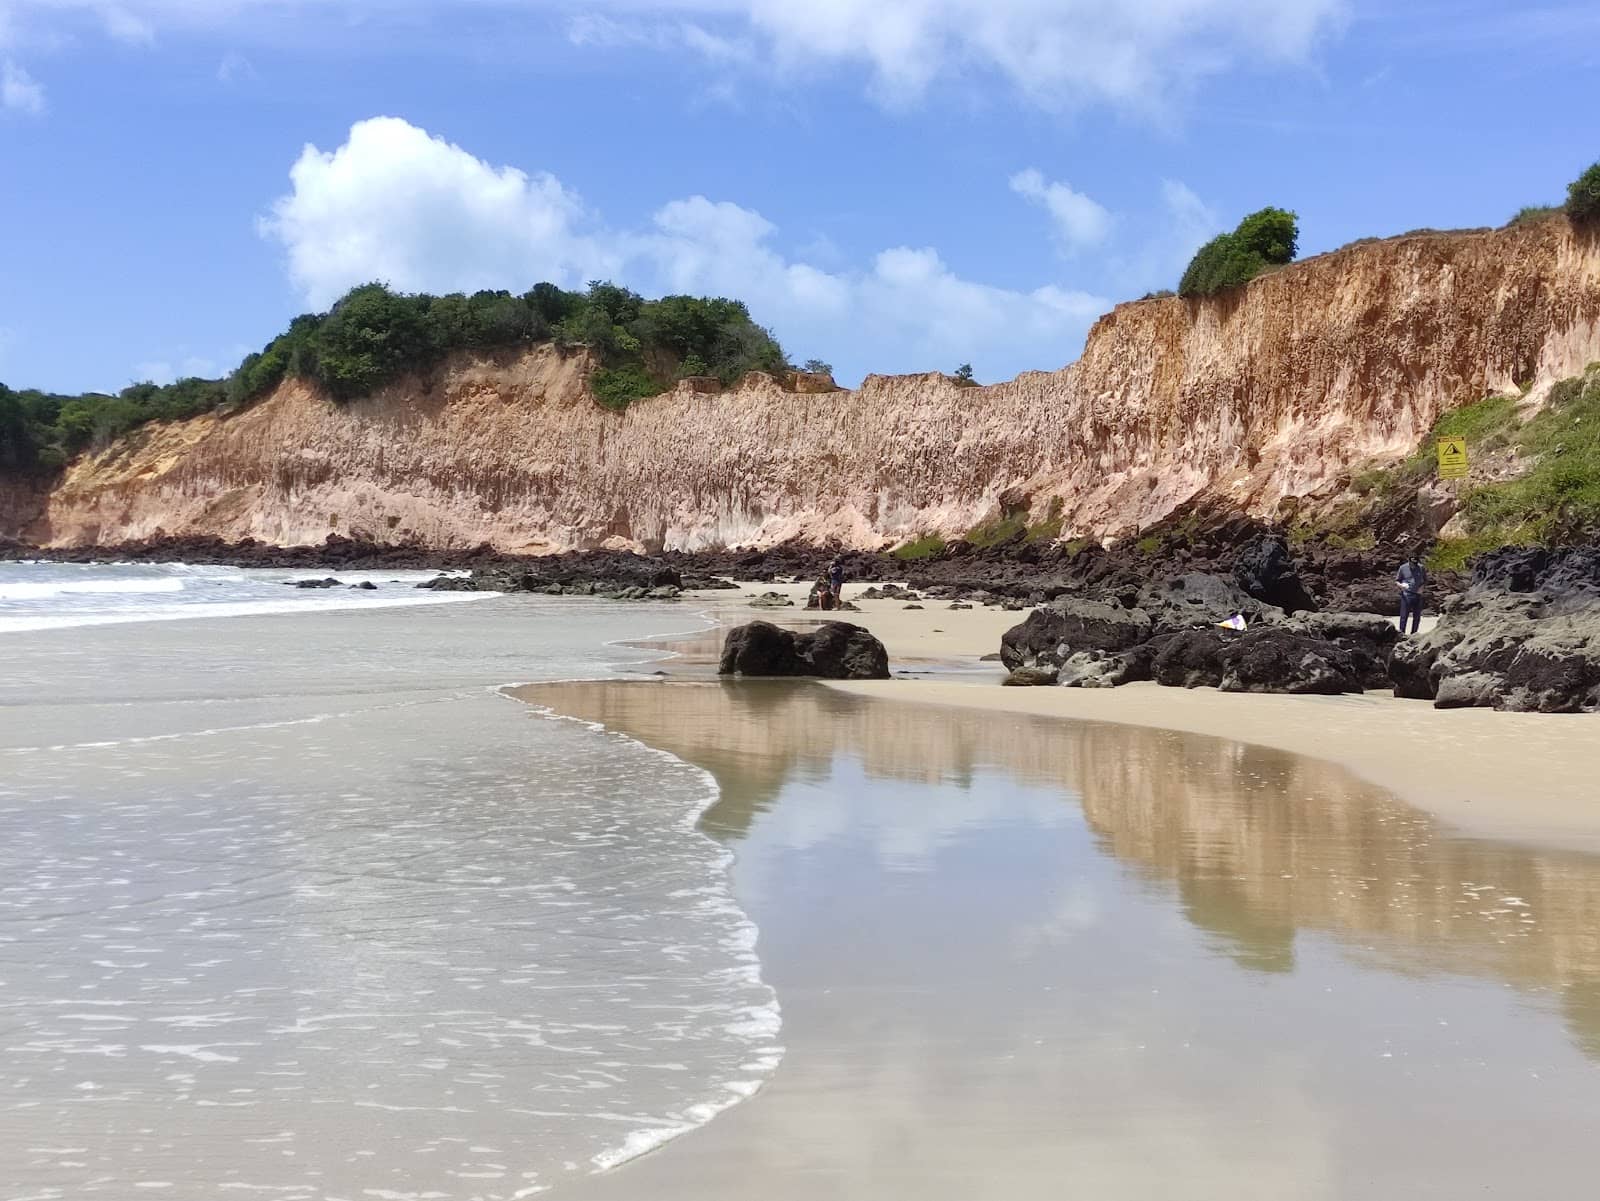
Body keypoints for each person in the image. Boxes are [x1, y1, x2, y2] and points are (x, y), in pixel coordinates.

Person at [1396, 551, 1428, 635]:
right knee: (1404, 616)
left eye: (1415, 563)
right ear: (1409, 560)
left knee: (1417, 616)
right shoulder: (1403, 568)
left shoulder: (1421, 568)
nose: (1414, 565)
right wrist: (1401, 586)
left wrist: (1422, 588)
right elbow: (1397, 580)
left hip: (1418, 595)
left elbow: (1425, 580)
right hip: (1406, 595)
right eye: (1412, 563)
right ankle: (1402, 633)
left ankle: (1414, 633)